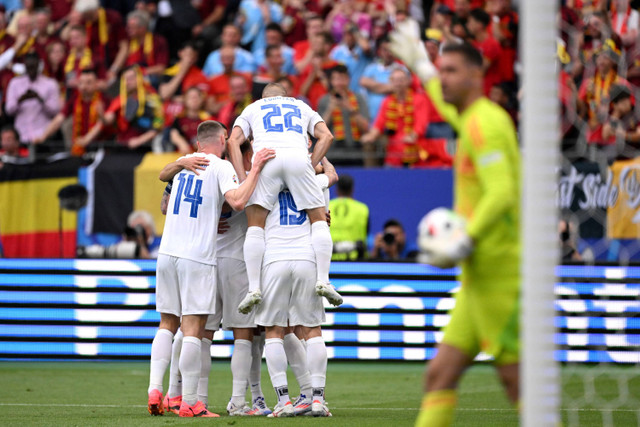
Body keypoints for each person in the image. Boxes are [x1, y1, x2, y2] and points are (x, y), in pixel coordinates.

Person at [390, 29, 520, 426]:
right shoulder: (470, 119)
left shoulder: (487, 125)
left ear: (476, 74)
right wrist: (421, 65)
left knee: (519, 385)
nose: (443, 78)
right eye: (441, 70)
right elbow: (446, 108)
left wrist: (466, 237)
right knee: (439, 374)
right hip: (478, 276)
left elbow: (502, 192)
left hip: (501, 275)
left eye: (451, 70)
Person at [147, 120, 275, 417]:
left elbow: (165, 200)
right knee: (196, 329)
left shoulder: (181, 167)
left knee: (168, 324)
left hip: (166, 254)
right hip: (200, 257)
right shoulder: (222, 168)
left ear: (196, 144)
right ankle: (194, 401)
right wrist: (254, 169)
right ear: (224, 138)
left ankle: (160, 389)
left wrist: (207, 206)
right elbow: (239, 200)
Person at [226, 82, 341, 316]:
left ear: (263, 97)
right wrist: (308, 167)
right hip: (298, 156)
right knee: (319, 219)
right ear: (285, 96)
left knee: (255, 225)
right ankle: (324, 280)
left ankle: (254, 288)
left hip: (266, 159)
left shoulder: (252, 108)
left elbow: (232, 142)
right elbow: (326, 136)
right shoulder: (301, 106)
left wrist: (242, 178)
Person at [254, 157, 337, 417]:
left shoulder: (265, 182)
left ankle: (284, 401)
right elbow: (332, 174)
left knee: (274, 331)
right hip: (306, 257)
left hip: (274, 258)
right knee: (312, 330)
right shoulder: (313, 181)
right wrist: (320, 157)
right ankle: (317, 399)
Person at [82, 65, 164, 150]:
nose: (128, 82)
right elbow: (108, 119)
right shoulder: (120, 100)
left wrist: (140, 140)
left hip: (146, 146)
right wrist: (101, 115)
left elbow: (159, 124)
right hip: (123, 146)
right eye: (125, 79)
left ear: (139, 78)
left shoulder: (152, 97)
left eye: (131, 78)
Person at [34, 68, 107, 156]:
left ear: (96, 84)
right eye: (81, 83)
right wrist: (43, 137)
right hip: (78, 148)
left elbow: (103, 123)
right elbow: (59, 119)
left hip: (100, 149)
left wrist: (86, 139)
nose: (83, 87)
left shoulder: (103, 100)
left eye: (88, 83)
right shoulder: (75, 99)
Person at [5, 51, 61, 146]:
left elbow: (55, 111)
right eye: (28, 67)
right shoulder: (15, 83)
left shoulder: (50, 84)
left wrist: (40, 100)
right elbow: (9, 111)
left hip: (44, 135)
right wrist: (20, 100)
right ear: (25, 65)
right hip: (21, 135)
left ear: (39, 65)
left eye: (33, 66)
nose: (31, 70)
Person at [317, 64, 369, 166]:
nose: (339, 83)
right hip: (332, 153)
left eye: (342, 79)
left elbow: (365, 127)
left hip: (356, 152)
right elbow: (319, 130)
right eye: (336, 79)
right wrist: (330, 109)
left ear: (348, 80)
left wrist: (350, 108)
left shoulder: (358, 98)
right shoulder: (324, 100)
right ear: (331, 81)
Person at [329, 174, 369, 261]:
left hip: (329, 259)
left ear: (337, 190)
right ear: (352, 190)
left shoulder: (327, 206)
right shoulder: (363, 209)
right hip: (355, 262)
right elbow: (366, 233)